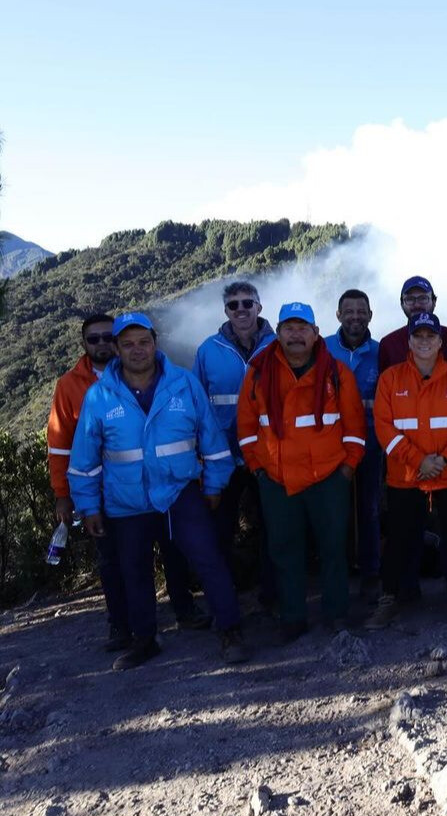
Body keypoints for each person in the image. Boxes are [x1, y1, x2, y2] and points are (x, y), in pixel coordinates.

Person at [68, 313, 249, 670]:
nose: (137, 350)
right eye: (128, 344)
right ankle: (144, 639)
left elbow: (211, 440)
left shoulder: (183, 384)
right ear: (117, 349)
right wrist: (88, 506)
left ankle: (230, 630)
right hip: (126, 500)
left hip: (180, 492)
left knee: (208, 560)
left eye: (144, 342)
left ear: (155, 343)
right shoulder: (100, 396)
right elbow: (84, 458)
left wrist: (213, 486)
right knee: (134, 571)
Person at [48, 314, 211, 651]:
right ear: (84, 344)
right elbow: (61, 446)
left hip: (157, 488)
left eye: (108, 337)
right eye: (94, 339)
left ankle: (184, 609)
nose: (102, 344)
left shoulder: (149, 377)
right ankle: (122, 626)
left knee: (173, 550)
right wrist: (64, 496)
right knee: (115, 562)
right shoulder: (71, 386)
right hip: (108, 495)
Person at [237, 302, 367, 642]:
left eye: (302, 328)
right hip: (277, 479)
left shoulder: (337, 373)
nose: (295, 335)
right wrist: (258, 468)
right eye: (288, 328)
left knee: (333, 547)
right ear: (277, 334)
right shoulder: (259, 373)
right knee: (284, 549)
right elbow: (248, 427)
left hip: (328, 478)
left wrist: (348, 468)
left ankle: (337, 614)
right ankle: (292, 616)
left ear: (315, 333)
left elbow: (354, 427)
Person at [367, 312, 447, 628]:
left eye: (430, 336)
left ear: (441, 341)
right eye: (418, 336)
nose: (424, 342)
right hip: (407, 477)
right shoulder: (391, 379)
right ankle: (390, 598)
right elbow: (384, 427)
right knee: (399, 539)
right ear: (409, 341)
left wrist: (444, 459)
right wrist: (418, 461)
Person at [193, 281, 276, 598]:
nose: (241, 310)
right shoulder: (208, 350)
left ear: (259, 306)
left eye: (247, 303)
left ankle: (272, 595)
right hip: (221, 456)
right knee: (220, 529)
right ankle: (224, 598)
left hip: (267, 453)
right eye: (233, 305)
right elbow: (198, 404)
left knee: (273, 526)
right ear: (225, 311)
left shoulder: (276, 346)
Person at [325, 289, 382, 583]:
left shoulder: (380, 352)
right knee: (334, 513)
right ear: (338, 315)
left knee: (370, 510)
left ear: (370, 315)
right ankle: (338, 575)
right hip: (330, 446)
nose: (355, 317)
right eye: (349, 311)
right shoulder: (321, 350)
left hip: (372, 444)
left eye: (361, 312)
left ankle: (371, 573)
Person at [377, 275, 447, 370]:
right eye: (410, 299)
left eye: (423, 298)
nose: (417, 304)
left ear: (434, 302)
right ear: (402, 304)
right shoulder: (389, 344)